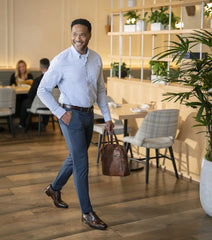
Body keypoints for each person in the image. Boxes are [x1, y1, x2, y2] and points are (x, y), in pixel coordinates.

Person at [37, 18, 114, 230]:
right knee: (82, 164)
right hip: (70, 116)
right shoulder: (61, 60)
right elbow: (42, 90)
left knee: (74, 157)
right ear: (71, 35)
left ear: (89, 35)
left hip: (89, 115)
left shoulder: (96, 59)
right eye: (74, 34)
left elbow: (100, 91)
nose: (77, 38)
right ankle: (87, 212)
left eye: (82, 34)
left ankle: (54, 188)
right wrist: (61, 113)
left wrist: (106, 117)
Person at [18, 58, 50, 129]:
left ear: (40, 67)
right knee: (46, 102)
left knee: (24, 103)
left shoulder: (37, 80)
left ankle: (22, 124)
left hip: (38, 104)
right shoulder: (55, 79)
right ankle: (44, 123)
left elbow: (30, 95)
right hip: (51, 104)